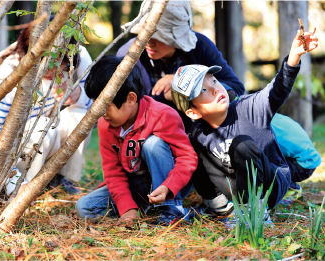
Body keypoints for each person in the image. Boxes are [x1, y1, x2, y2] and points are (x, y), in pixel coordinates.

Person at [170, 28, 318, 225]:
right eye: (204, 90)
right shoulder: (199, 132)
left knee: (242, 145)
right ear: (193, 112)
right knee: (192, 147)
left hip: (269, 184)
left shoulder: (249, 108)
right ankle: (221, 206)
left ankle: (254, 213)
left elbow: (277, 90)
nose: (216, 89)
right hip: (234, 185)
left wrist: (293, 57)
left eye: (214, 80)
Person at [75, 56, 198, 225]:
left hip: (169, 181)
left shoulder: (162, 115)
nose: (100, 113)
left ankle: (171, 209)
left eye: (105, 107)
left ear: (130, 99)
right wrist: (127, 209)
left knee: (152, 145)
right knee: (85, 207)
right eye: (96, 105)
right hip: (137, 185)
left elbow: (187, 157)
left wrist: (168, 187)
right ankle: (145, 208)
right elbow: (113, 172)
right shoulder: (105, 125)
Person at [0, 24, 93, 196]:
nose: (49, 69)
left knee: (81, 115)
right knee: (41, 127)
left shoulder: (79, 58)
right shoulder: (11, 75)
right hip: (15, 155)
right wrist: (12, 180)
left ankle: (63, 179)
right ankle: (26, 187)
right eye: (42, 60)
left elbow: (97, 112)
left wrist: (79, 96)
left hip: (48, 140)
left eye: (56, 62)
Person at [117, 0, 244, 133]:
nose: (149, 42)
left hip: (204, 134)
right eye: (145, 34)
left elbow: (236, 89)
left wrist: (189, 80)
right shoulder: (128, 55)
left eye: (157, 37)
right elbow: (124, 109)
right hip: (150, 135)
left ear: (177, 36)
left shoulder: (200, 46)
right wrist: (165, 95)